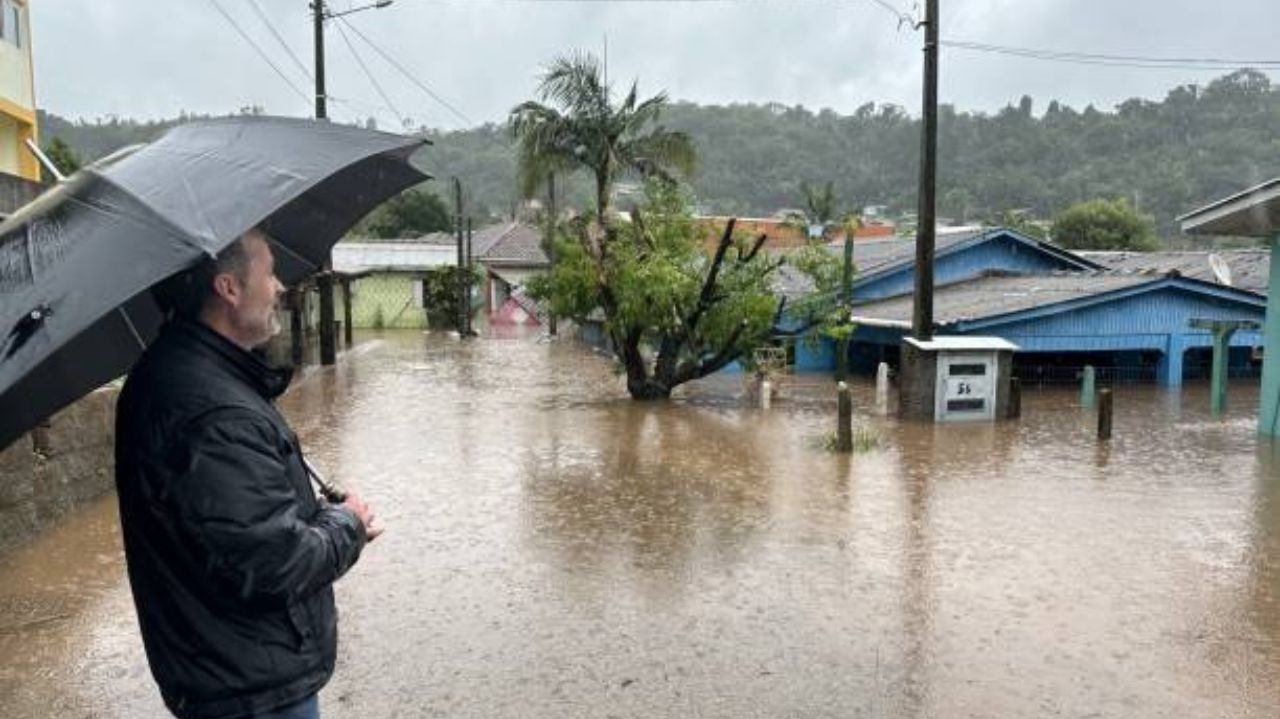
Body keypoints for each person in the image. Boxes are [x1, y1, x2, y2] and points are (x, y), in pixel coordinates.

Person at [114, 228, 381, 719]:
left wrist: (319, 515)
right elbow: (273, 565)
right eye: (270, 271)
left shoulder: (195, 378)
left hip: (228, 669)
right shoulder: (213, 411)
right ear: (229, 289)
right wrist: (348, 526)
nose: (281, 287)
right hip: (253, 689)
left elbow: (232, 528)